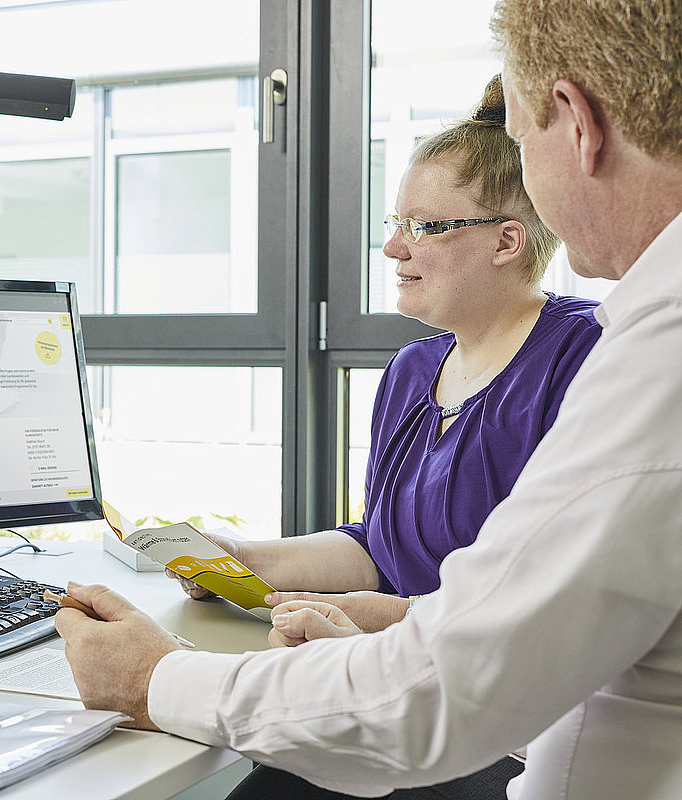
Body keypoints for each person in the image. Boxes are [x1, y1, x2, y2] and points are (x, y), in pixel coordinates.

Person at [54, 2, 682, 798]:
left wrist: (157, 679)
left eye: (525, 144)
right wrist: (266, 573)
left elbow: (443, 693)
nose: (395, 247)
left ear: (575, 123)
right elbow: (460, 592)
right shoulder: (437, 367)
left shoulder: (627, 356)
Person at [169, 76, 600, 654]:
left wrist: (388, 620)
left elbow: (564, 597)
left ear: (506, 242)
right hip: (403, 670)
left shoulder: (585, 357)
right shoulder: (412, 371)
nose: (393, 248)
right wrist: (241, 557)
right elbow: (378, 548)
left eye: (422, 227)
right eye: (395, 224)